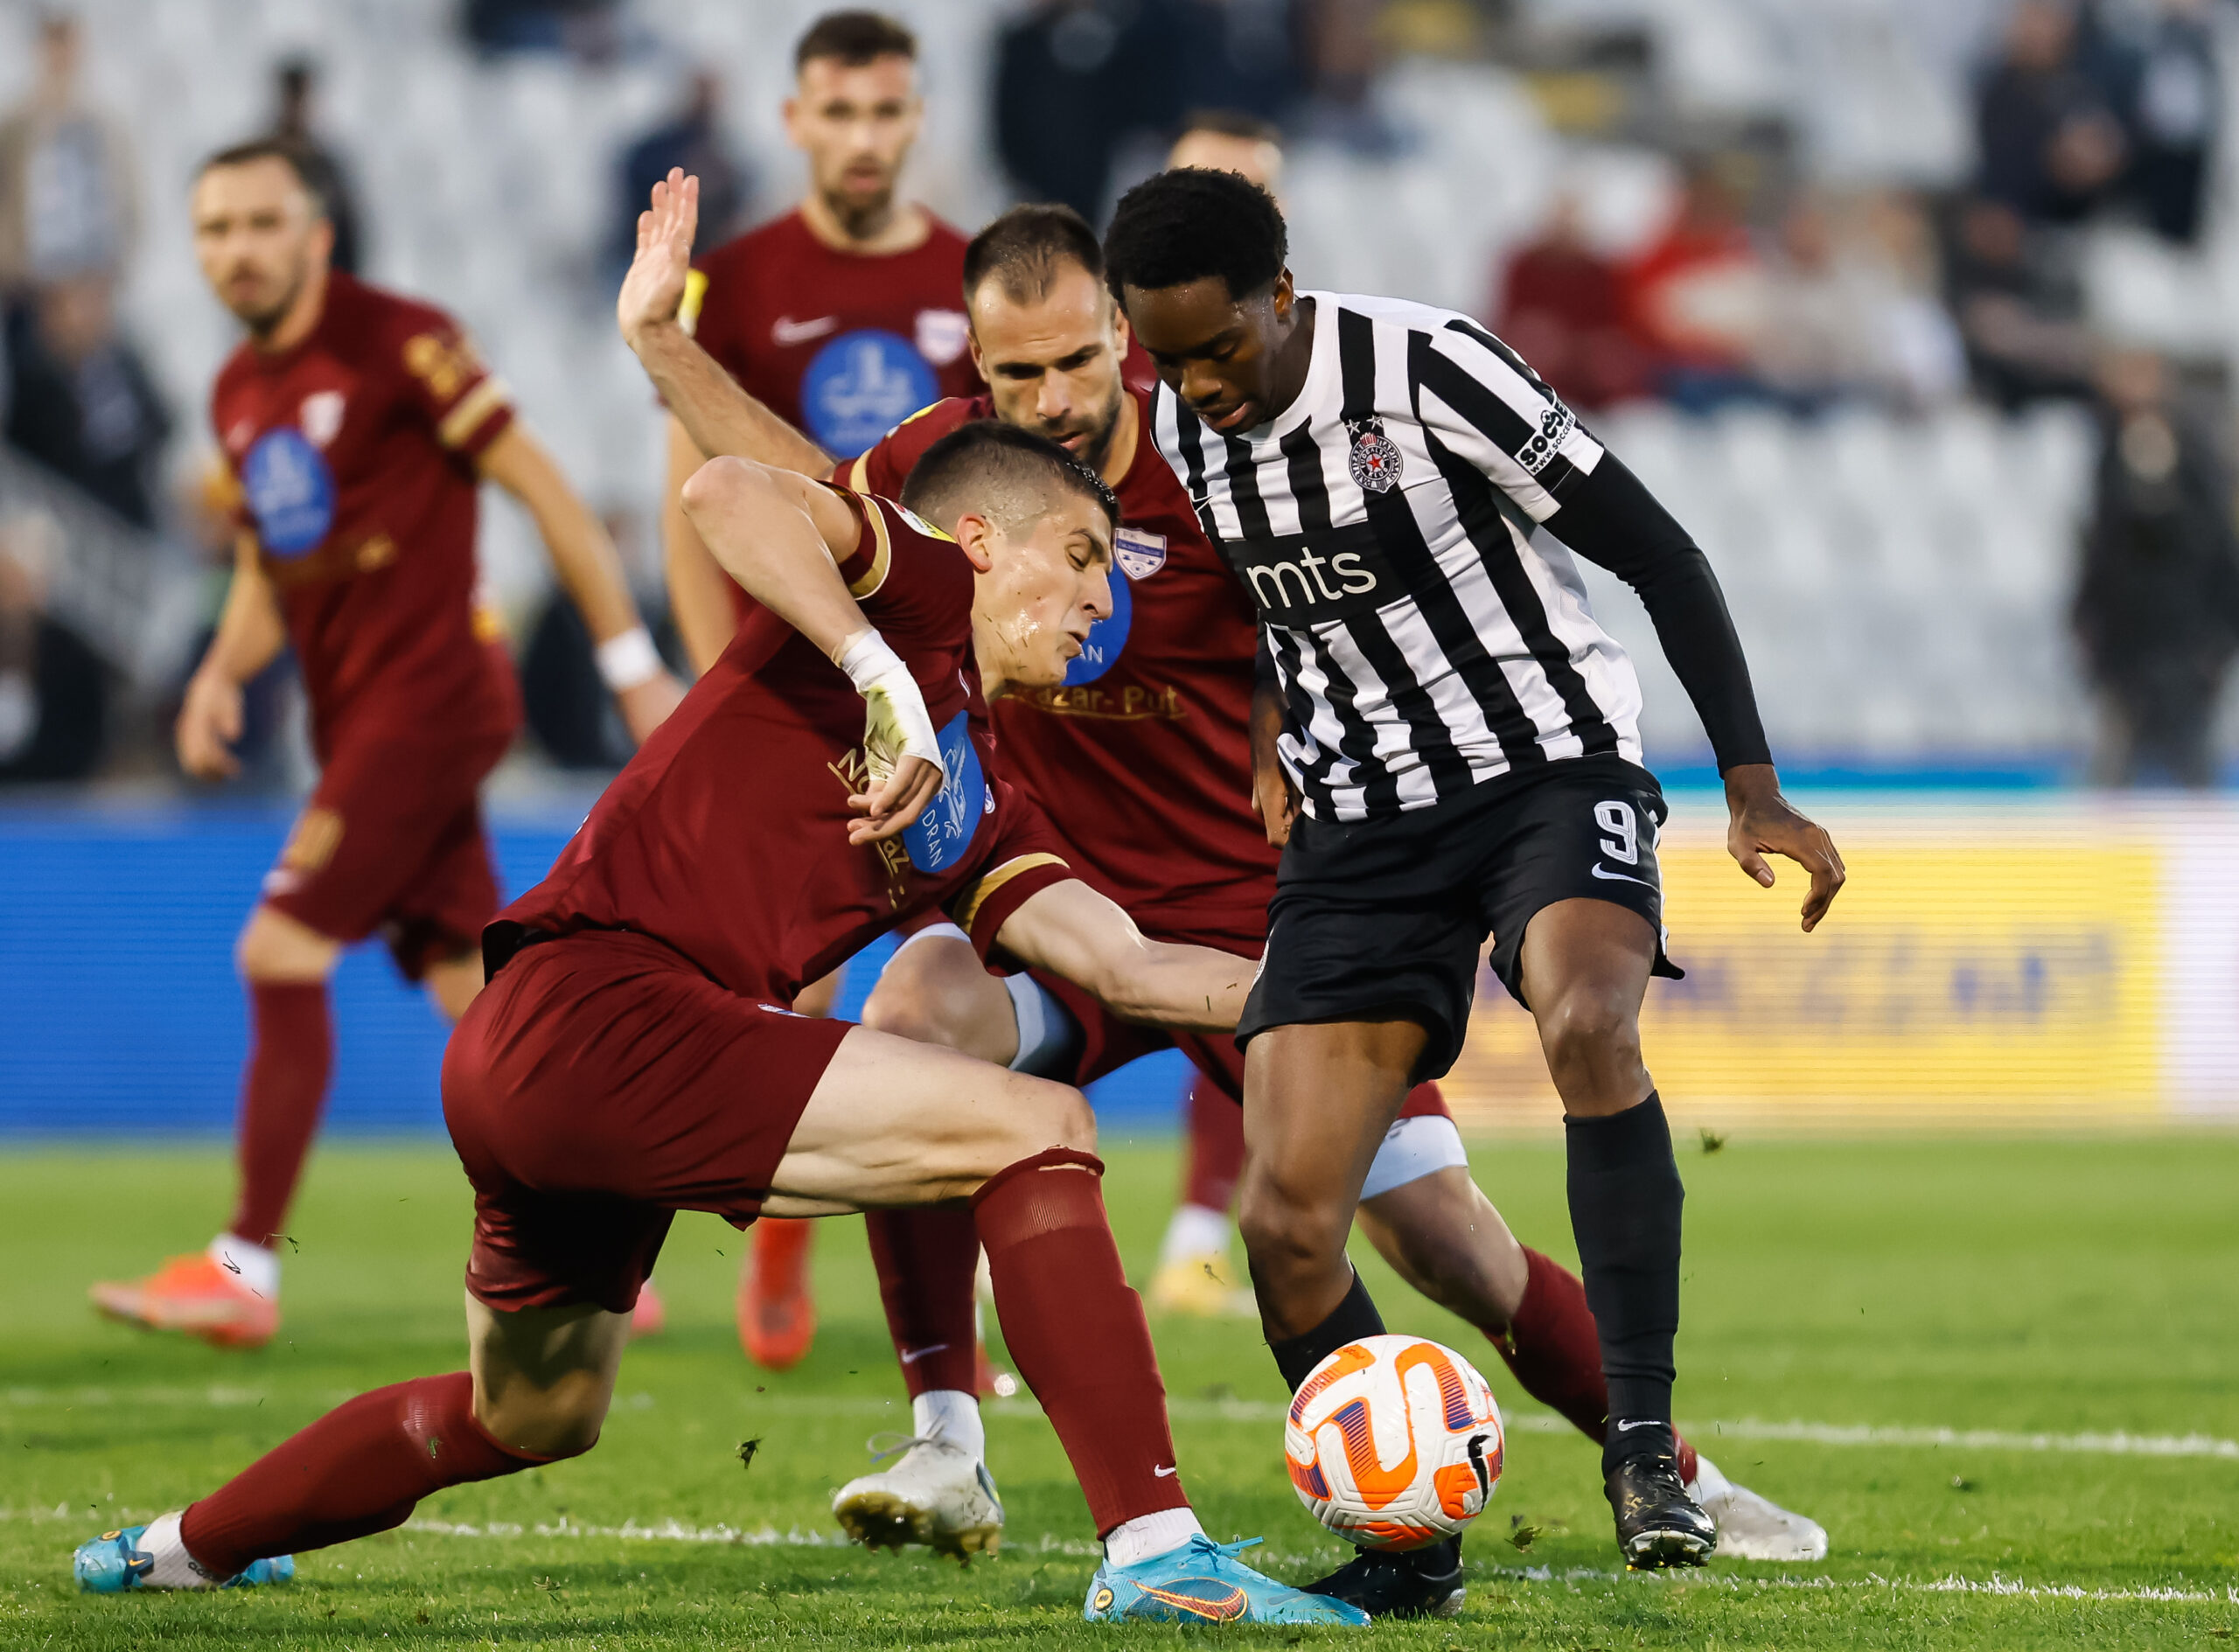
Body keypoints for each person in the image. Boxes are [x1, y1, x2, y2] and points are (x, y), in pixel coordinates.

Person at [70, 192, 1364, 1626]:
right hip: (603, 1005)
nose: (1097, 603)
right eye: (1079, 560)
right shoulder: (917, 590)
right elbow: (722, 494)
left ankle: (179, 1541)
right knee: (1040, 1128)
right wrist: (875, 669)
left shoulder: (980, 795)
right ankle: (1158, 1550)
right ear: (989, 539)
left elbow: (1117, 958)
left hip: (536, 1055)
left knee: (535, 1412)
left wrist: (1342, 987)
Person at [641, 176, 1830, 1600]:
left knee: (1448, 1238)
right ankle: (946, 1439)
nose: (1051, 395)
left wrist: (1295, 740)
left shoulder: (1219, 467)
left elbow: (1356, 604)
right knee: (915, 1016)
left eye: (1079, 360)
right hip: (1060, 903)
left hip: (1249, 912)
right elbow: (811, 497)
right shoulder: (971, 473)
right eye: (1015, 370)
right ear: (977, 365)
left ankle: (1670, 1463)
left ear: (1125, 341)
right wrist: (666, 351)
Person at [1102, 168, 1847, 1584]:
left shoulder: (1430, 364)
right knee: (1285, 1217)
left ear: (1282, 293)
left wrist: (1752, 786)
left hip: (1545, 766)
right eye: (1167, 357)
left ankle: (1643, 1452)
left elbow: (1661, 553)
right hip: (1364, 827)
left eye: (1219, 348)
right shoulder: (1189, 439)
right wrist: (1273, 724)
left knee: (1585, 1016)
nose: (1196, 385)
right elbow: (1272, 608)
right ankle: (1411, 1544)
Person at [86, 139, 682, 1351]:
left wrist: (631, 670)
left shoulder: (400, 340)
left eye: (261, 224)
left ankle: (243, 1266)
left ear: (315, 234)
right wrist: (219, 671)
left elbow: (545, 489)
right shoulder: (235, 393)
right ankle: (595, 1243)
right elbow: (269, 556)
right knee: (475, 993)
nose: (236, 250)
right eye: (214, 230)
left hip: (435, 701)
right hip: (359, 718)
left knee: (279, 950)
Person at [665, 9, 980, 1372]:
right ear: (794, 121)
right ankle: (781, 1224)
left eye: (886, 112)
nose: (863, 137)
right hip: (783, 673)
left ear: (917, 119)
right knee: (784, 975)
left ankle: (950, 1280)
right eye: (838, 113)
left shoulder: (976, 277)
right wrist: (689, 677)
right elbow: (688, 497)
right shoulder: (734, 283)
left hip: (936, 664)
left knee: (953, 965)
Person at [2075, 346, 2239, 788]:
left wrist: (2220, 639)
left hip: (2188, 640)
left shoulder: (2195, 453)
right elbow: (2100, 546)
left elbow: (2216, 546)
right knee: (2113, 776)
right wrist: (2087, 618)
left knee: (2192, 769)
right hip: (2127, 640)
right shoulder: (2110, 451)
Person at [0, 11, 138, 296]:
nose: (60, 53)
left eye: (66, 41)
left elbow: (130, 209)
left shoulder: (108, 127)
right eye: (52, 40)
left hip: (95, 292)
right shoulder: (13, 128)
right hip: (30, 292)